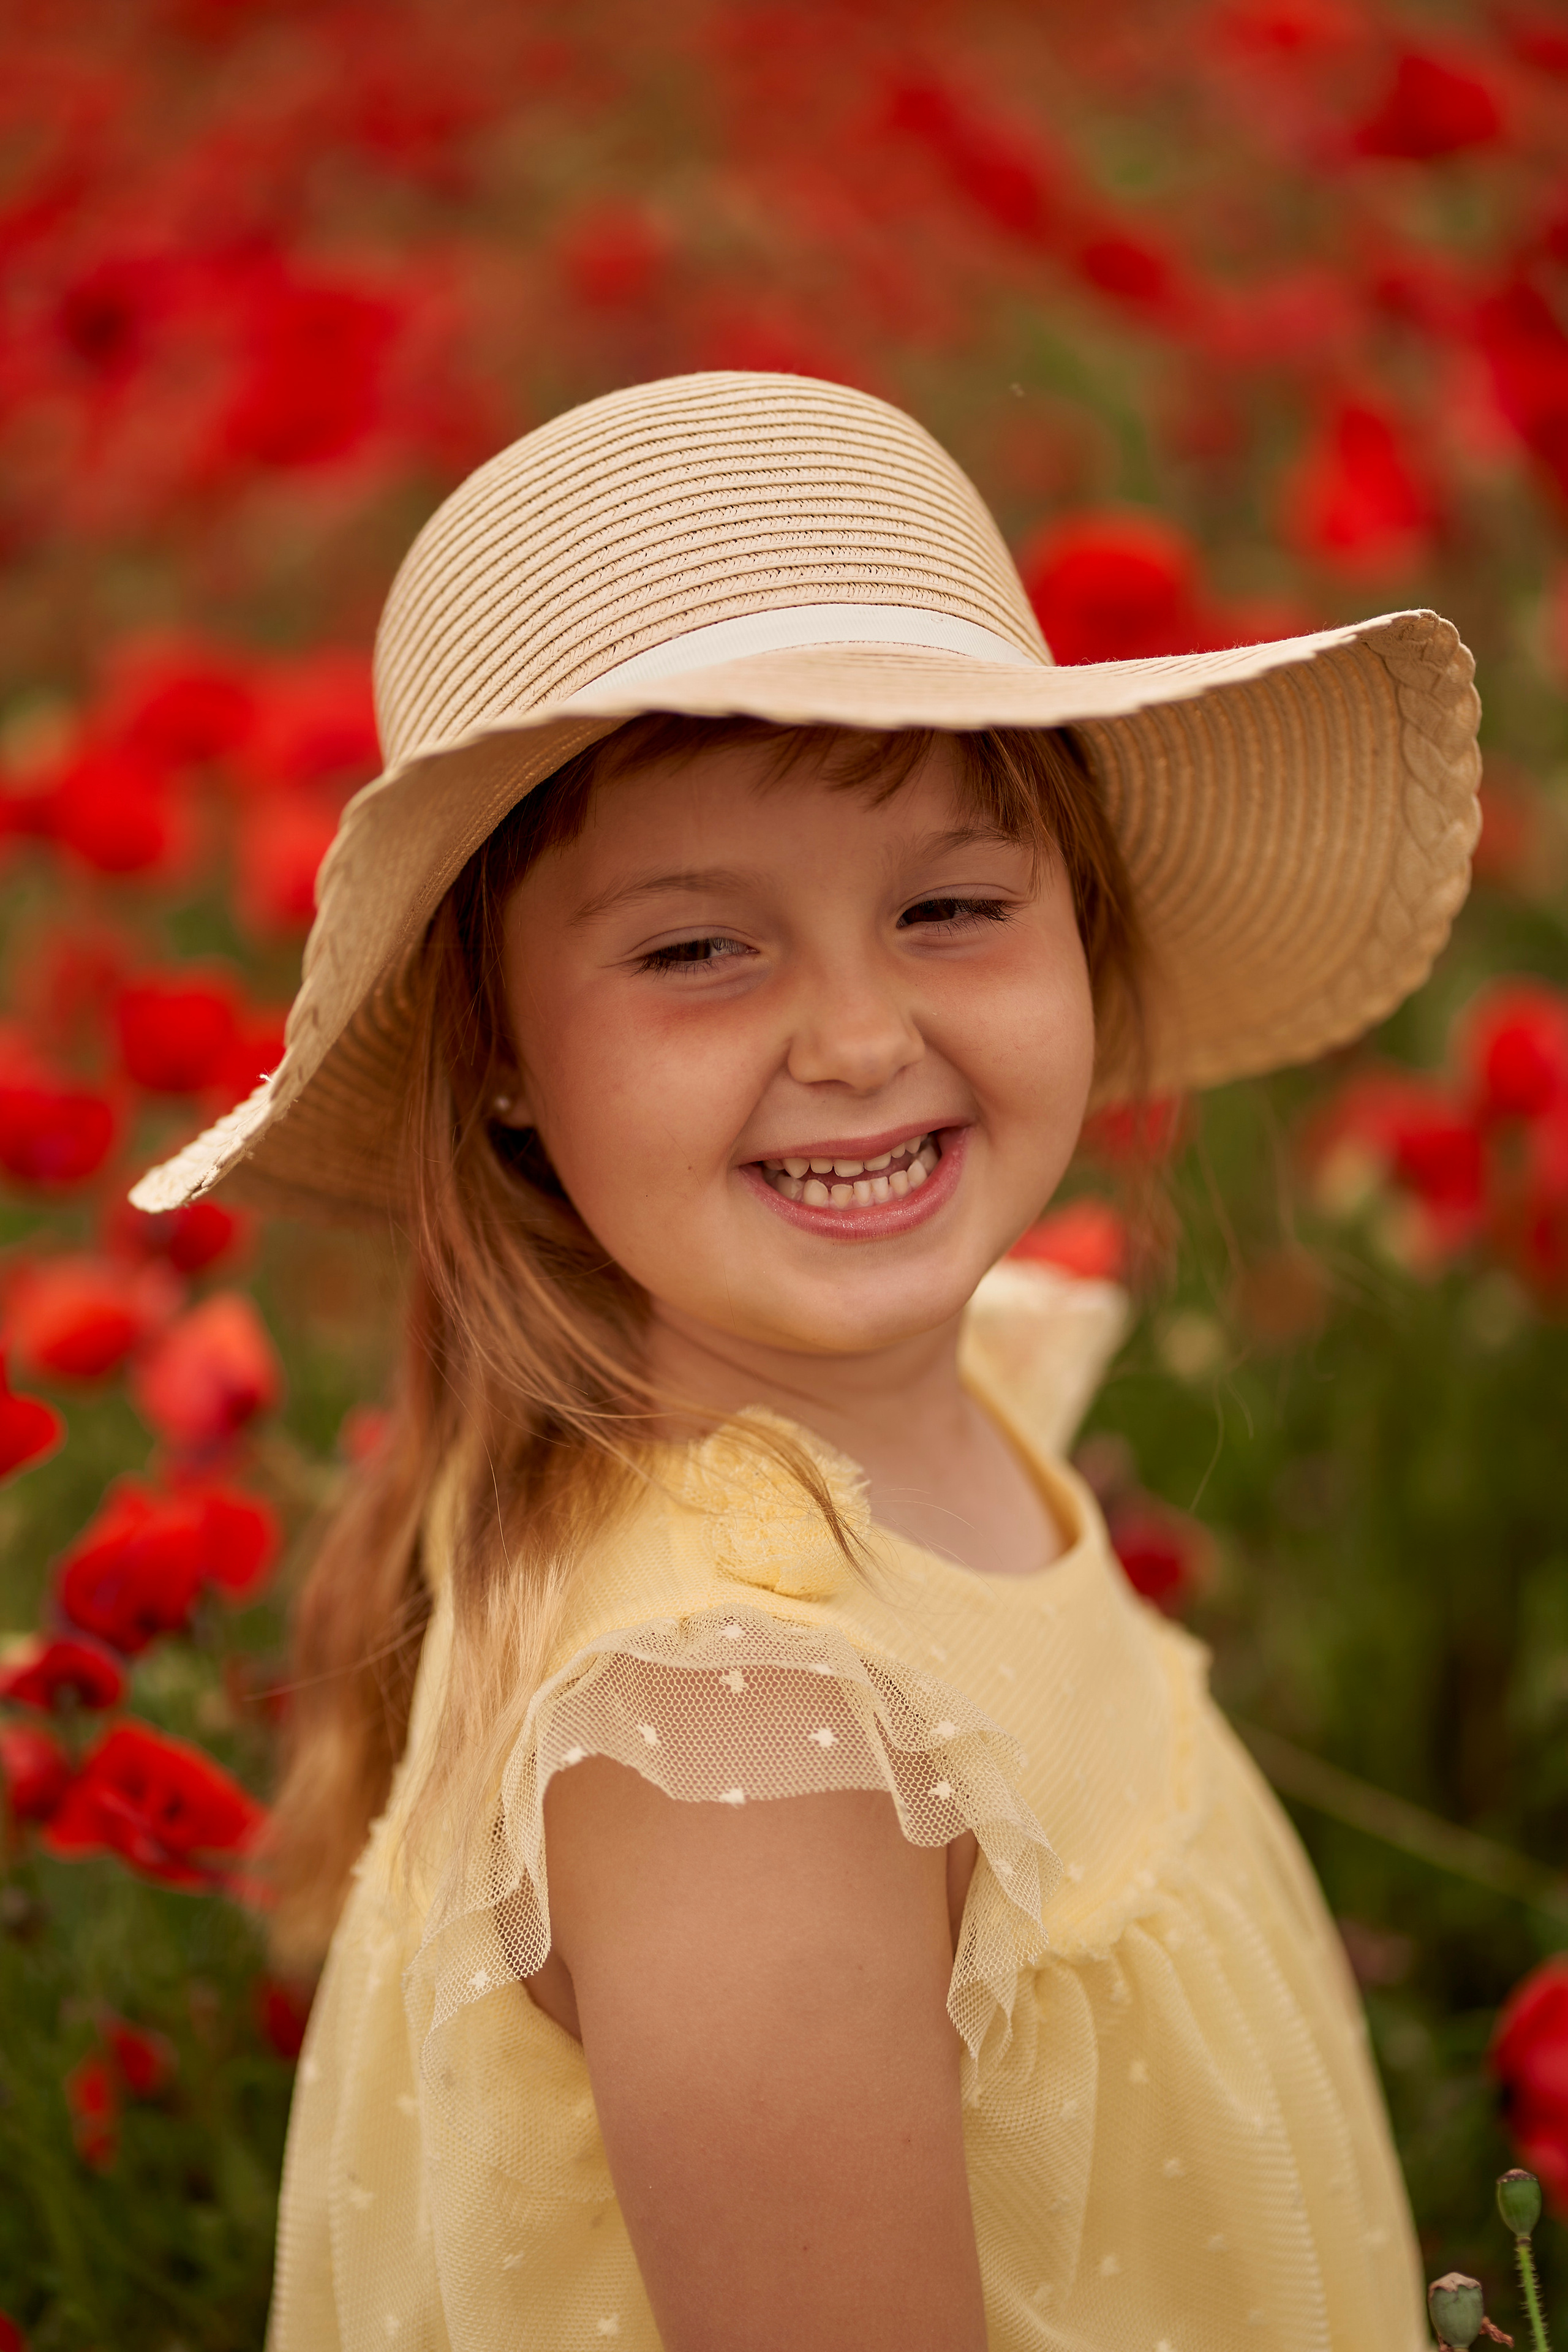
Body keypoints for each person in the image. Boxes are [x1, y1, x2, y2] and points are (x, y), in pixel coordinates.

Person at [135, 371, 1481, 2352]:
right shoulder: (739, 1739)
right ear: (496, 1050)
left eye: (950, 908)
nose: (859, 1038)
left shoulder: (938, 1418)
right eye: (700, 949)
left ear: (1083, 936)